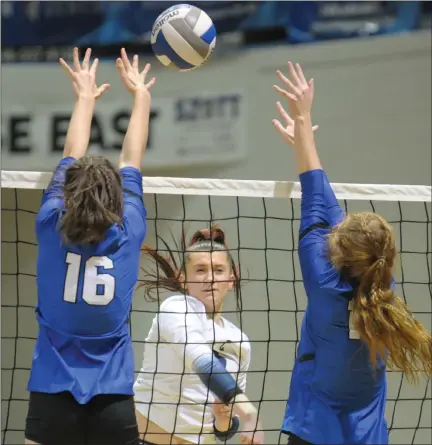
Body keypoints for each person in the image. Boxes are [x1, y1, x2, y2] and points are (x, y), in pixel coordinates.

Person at [272, 62, 432, 445]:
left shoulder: (321, 279)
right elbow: (320, 198)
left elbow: (315, 197)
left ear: (337, 249)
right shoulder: (382, 284)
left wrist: (303, 116)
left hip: (313, 430)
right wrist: (304, 139)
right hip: (367, 436)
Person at [24, 47, 156, 445]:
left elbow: (70, 154)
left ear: (66, 195)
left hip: (51, 392)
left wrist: (84, 98)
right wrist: (142, 96)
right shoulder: (129, 228)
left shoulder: (50, 223)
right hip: (113, 397)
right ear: (116, 198)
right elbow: (131, 159)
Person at [134, 226, 264, 445]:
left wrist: (223, 419)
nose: (210, 278)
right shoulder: (175, 308)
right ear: (184, 279)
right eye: (201, 270)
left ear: (231, 280)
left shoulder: (240, 341)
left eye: (219, 270)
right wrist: (249, 412)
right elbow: (201, 360)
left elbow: (224, 429)